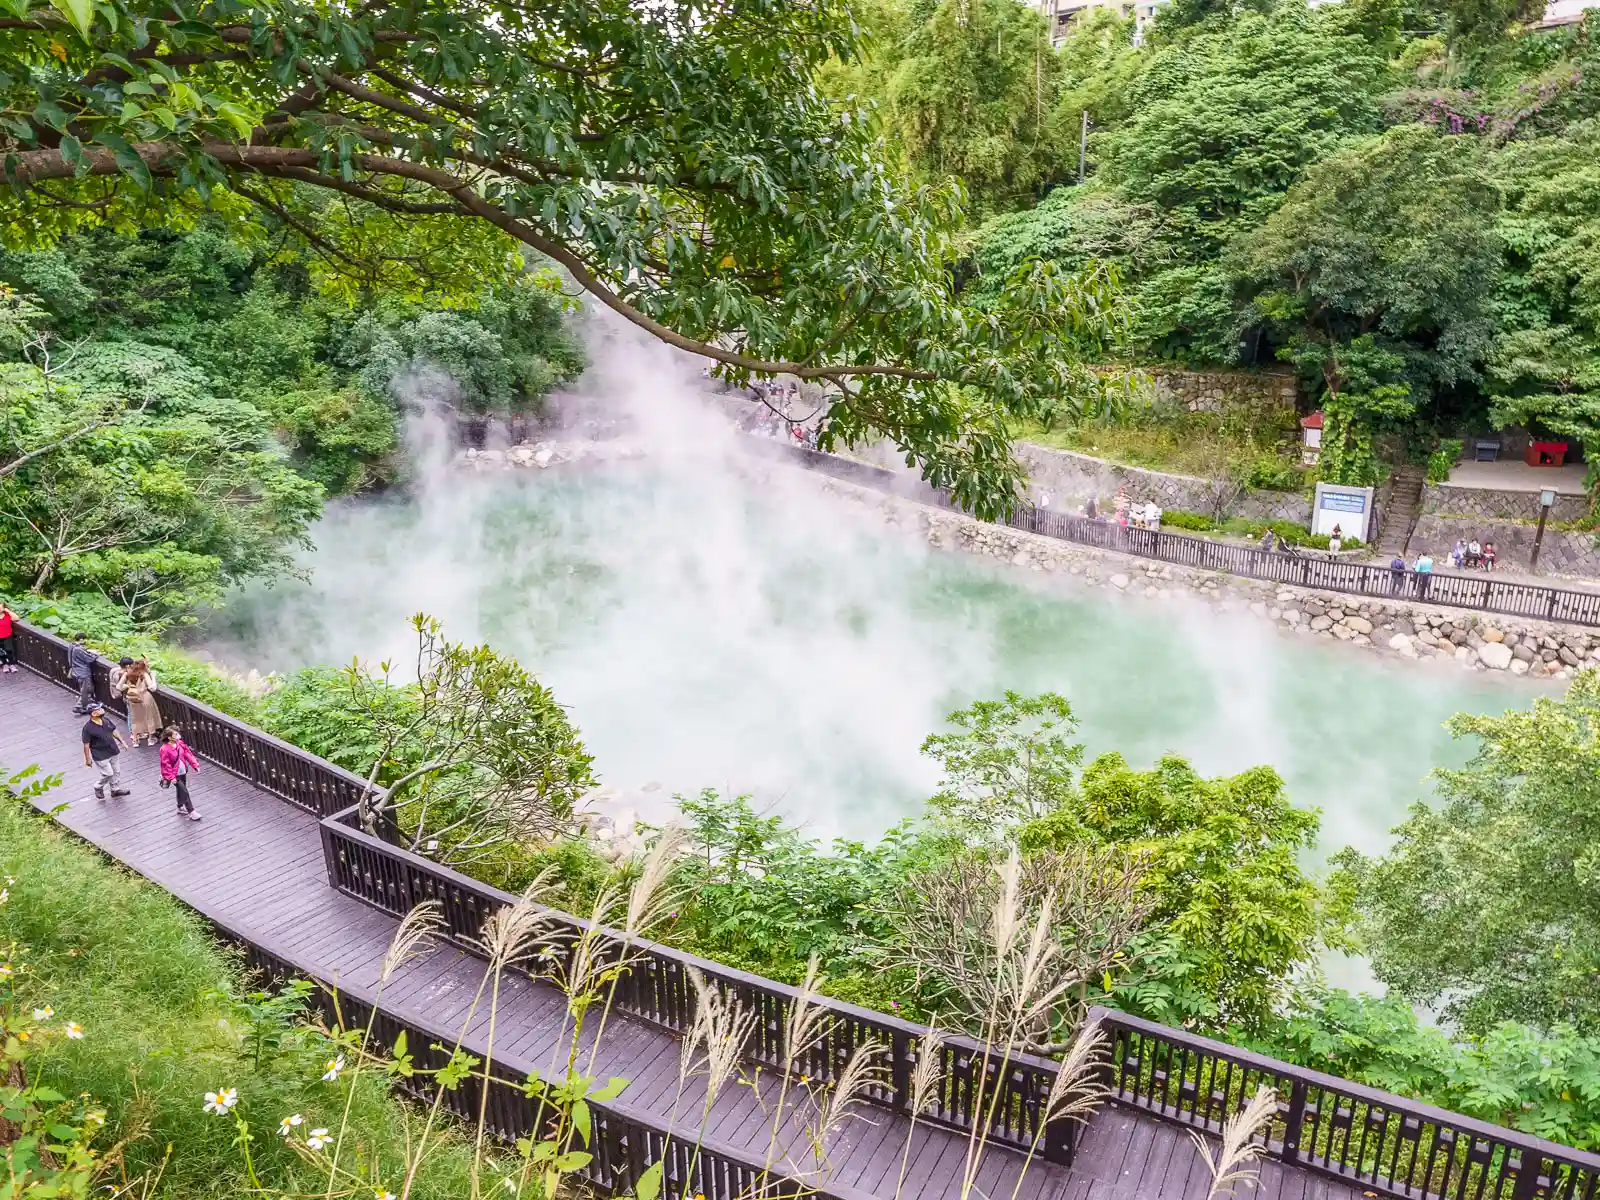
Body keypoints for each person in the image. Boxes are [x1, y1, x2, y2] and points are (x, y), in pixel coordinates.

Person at [82, 704, 130, 799]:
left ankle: (115, 790)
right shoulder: (88, 728)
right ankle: (98, 786)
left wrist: (122, 742)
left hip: (112, 750)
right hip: (100, 754)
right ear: (94, 713)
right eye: (99, 709)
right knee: (108, 773)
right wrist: (88, 759)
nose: (102, 710)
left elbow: (114, 731)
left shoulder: (105, 720)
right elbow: (86, 745)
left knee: (116, 771)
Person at [159, 725, 203, 821]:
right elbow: (165, 764)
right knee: (184, 791)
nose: (178, 735)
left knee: (181, 790)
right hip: (175, 775)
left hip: (182, 771)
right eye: (175, 734)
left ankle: (179, 806)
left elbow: (187, 754)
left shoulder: (180, 744)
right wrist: (171, 777)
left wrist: (195, 765)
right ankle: (191, 811)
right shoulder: (164, 749)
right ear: (169, 737)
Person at [121, 659, 163, 747]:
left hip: (133, 699)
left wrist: (127, 686)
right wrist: (153, 677)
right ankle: (150, 739)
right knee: (149, 717)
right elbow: (152, 688)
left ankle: (135, 741)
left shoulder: (128, 674)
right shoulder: (144, 674)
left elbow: (119, 687)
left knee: (135, 719)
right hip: (145, 697)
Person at [67, 633, 96, 714]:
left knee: (84, 689)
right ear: (81, 639)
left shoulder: (71, 646)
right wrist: (95, 654)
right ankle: (79, 706)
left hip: (75, 671)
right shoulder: (78, 649)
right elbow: (89, 659)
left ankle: (87, 705)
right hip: (83, 672)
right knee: (86, 690)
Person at [0, 604, 15, 673]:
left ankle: (11, 664)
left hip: (7, 636)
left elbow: (16, 618)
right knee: (1, 652)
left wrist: (8, 611)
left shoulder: (7, 615)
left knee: (9, 650)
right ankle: (5, 665)